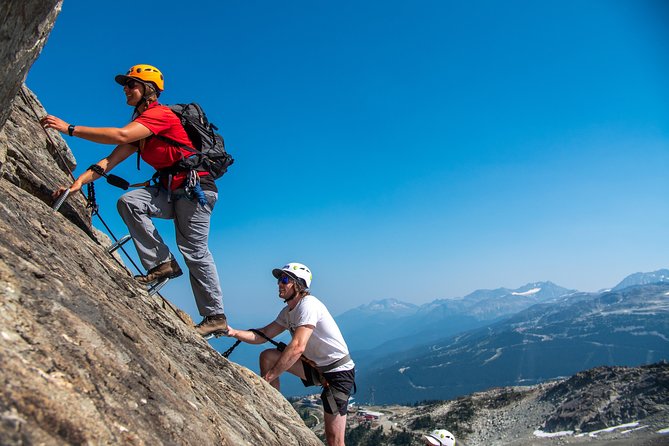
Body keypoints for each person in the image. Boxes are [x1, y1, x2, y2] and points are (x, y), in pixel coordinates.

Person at [41, 64, 228, 337]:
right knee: (130, 201)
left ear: (148, 90)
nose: (126, 90)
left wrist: (70, 128)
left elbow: (120, 135)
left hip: (194, 189)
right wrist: (76, 184)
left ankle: (216, 316)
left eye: (132, 84)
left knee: (193, 249)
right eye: (126, 85)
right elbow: (108, 162)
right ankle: (162, 264)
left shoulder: (159, 115)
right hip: (170, 191)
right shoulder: (142, 131)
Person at [225, 263, 355, 446]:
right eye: (279, 279)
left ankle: (270, 395)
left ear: (298, 285)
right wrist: (232, 332)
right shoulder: (288, 312)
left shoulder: (308, 305)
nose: (279, 283)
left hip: (338, 373)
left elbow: (297, 347)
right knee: (268, 357)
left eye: (284, 280)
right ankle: (274, 406)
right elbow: (263, 334)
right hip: (317, 367)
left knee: (334, 440)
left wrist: (267, 379)